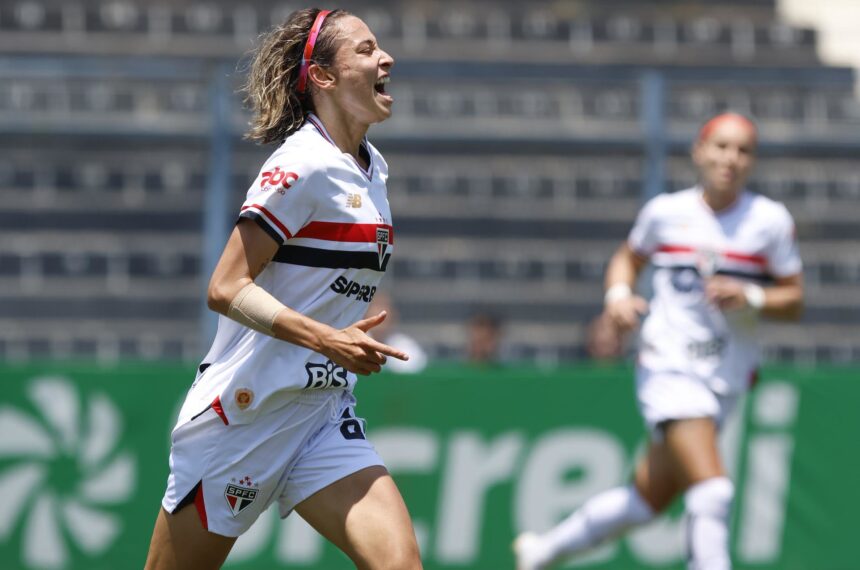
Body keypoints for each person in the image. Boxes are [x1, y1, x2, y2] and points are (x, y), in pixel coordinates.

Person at [145, 9, 423, 570]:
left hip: (320, 414)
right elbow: (225, 287)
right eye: (366, 50)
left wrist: (332, 350)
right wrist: (327, 340)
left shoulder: (372, 168)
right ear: (322, 77)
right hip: (245, 414)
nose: (385, 58)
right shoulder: (301, 165)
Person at [514, 112, 803, 570]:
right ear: (699, 151)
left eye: (743, 150)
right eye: (722, 146)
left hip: (725, 373)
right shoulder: (666, 213)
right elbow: (627, 259)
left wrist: (749, 294)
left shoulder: (768, 222)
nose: (731, 158)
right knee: (713, 490)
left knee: (646, 501)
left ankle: (542, 551)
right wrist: (618, 296)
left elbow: (794, 300)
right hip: (667, 365)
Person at [366, 291, 428, 374]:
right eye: (375, 311)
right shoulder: (354, 341)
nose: (380, 319)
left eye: (385, 315)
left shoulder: (406, 346)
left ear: (394, 316)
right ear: (365, 314)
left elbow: (414, 370)